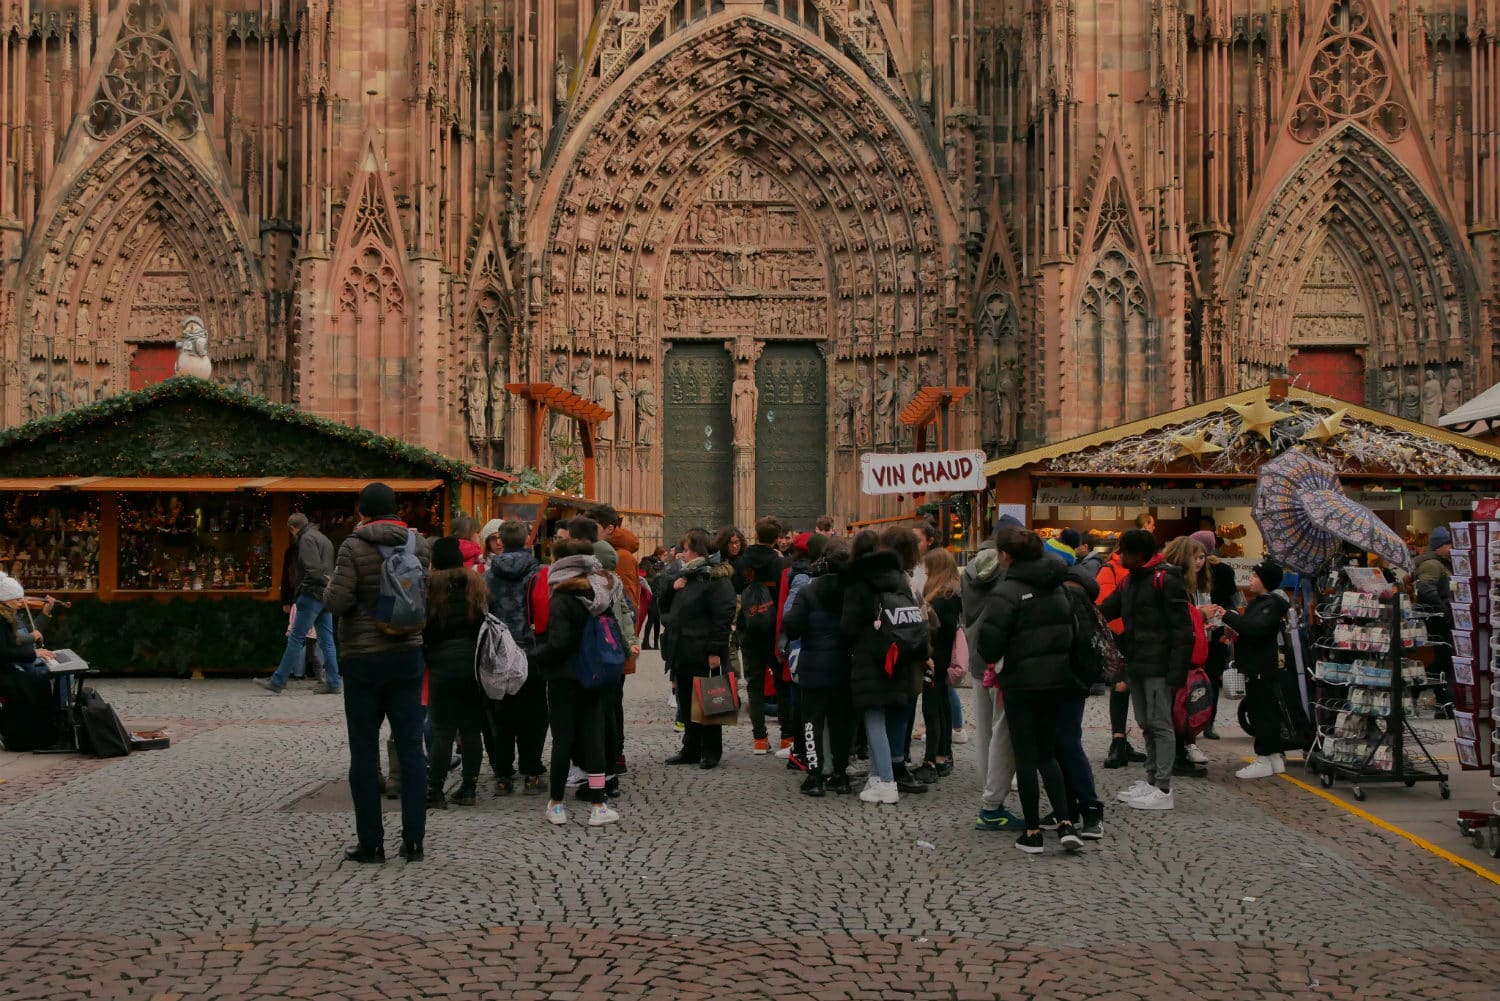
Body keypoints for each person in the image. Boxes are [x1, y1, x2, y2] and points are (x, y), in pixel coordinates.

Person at [322, 482, 433, 864]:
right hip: (406, 654)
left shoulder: (353, 546)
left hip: (363, 659)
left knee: (365, 751)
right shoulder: (418, 545)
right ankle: (414, 841)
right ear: (396, 510)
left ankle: (371, 843)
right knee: (412, 749)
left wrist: (329, 586)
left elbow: (338, 602)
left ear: (363, 512)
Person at [973, 526, 1084, 854]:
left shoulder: (1007, 591)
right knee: (1047, 752)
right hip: (1055, 679)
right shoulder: (1057, 584)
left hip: (1021, 681)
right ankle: (1065, 823)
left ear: (1006, 556)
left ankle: (1033, 831)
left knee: (1025, 756)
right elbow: (1072, 631)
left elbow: (990, 642)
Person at [1099, 529, 1194, 811]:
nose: (1119, 556)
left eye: (1124, 551)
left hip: (1159, 666)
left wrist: (1177, 672)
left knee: (1160, 723)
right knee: (1145, 722)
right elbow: (1106, 609)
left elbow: (1182, 630)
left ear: (1139, 555)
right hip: (1137, 663)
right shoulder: (1130, 580)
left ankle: (1163, 787)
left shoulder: (1165, 580)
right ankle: (1152, 778)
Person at [529, 538, 620, 826]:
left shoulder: (562, 596)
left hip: (564, 677)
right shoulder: (599, 592)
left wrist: (534, 655)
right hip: (593, 673)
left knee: (563, 740)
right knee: (593, 738)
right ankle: (597, 805)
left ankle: (556, 804)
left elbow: (559, 643)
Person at [843, 526, 930, 803]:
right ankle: (881, 772)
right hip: (897, 654)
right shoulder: (900, 579)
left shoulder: (859, 581)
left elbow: (848, 625)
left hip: (870, 656)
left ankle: (886, 782)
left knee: (873, 717)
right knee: (892, 714)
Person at [781, 537, 854, 796]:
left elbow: (793, 625)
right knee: (841, 722)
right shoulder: (854, 591)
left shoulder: (809, 591)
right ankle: (841, 774)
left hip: (814, 665)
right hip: (844, 665)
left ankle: (815, 776)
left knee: (811, 721)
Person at [661, 529, 737, 769]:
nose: (681, 554)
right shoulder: (687, 576)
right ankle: (690, 748)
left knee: (709, 700)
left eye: (686, 549)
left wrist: (715, 651)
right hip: (682, 649)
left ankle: (711, 751)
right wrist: (672, 587)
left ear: (699, 551)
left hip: (704, 651)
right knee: (685, 702)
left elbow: (723, 618)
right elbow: (664, 607)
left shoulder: (715, 579)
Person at [483, 519, 548, 796]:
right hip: (531, 649)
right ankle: (532, 771)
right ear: (526, 541)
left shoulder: (488, 574)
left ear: (501, 542)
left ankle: (502, 774)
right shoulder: (539, 572)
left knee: (501, 712)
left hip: (500, 650)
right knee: (534, 711)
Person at [961, 544, 1023, 830]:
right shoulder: (1003, 583)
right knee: (1002, 727)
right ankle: (998, 783)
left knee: (984, 726)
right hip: (995, 660)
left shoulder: (969, 577)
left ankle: (987, 777)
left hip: (975, 655)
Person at [422, 537, 488, 809]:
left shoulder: (430, 587)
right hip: (473, 664)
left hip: (441, 663)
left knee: (443, 730)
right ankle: (469, 788)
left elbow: (424, 628)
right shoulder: (477, 584)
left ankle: (435, 790)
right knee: (472, 729)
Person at [1222, 559, 1291, 779]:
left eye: (1255, 576)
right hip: (1254, 665)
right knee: (1263, 710)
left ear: (1265, 581)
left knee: (1262, 713)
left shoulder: (1271, 604)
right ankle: (1273, 757)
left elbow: (1254, 629)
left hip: (1261, 666)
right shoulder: (1260, 602)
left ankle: (1263, 757)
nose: (1250, 578)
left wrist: (1229, 616)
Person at [258, 513, 340, 694]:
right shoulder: (323, 538)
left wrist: (302, 589)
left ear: (293, 529)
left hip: (311, 594)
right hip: (325, 595)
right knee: (327, 641)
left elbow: (313, 569)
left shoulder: (306, 539)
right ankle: (334, 682)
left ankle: (278, 680)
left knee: (296, 638)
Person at [589, 505, 641, 778]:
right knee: (610, 701)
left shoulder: (614, 557)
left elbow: (625, 604)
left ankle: (612, 755)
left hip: (611, 642)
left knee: (609, 702)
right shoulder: (618, 553)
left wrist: (628, 641)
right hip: (615, 642)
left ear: (609, 528)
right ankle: (612, 754)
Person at [1161, 535, 1220, 777]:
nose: (1199, 562)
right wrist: (1200, 615)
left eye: (1202, 557)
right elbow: (1177, 618)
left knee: (1182, 706)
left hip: (1187, 653)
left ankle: (1180, 753)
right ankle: (1174, 759)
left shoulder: (1189, 584)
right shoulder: (1174, 584)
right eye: (1194, 557)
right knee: (1178, 706)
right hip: (1178, 656)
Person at [733, 517, 788, 755]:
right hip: (774, 629)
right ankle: (787, 737)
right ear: (777, 538)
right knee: (781, 683)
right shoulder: (781, 563)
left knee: (754, 684)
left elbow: (735, 587)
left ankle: (759, 739)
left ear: (755, 535)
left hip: (750, 628)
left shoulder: (743, 561)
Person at [1094, 542, 1148, 769]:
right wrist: (1124, 632)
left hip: (1140, 637)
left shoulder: (1148, 571)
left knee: (1136, 688)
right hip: (1123, 637)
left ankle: (1125, 741)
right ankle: (1118, 740)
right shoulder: (1111, 569)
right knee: (1122, 686)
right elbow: (1104, 605)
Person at [918, 547, 961, 780]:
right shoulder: (949, 592)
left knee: (932, 707)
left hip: (937, 656)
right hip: (940, 655)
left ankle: (933, 758)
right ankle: (942, 755)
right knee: (940, 704)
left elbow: (941, 629)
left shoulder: (944, 596)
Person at [1191, 530, 1240, 740]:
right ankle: (1208, 722)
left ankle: (1197, 719)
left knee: (1198, 676)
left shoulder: (1203, 569)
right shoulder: (1225, 570)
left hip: (1202, 627)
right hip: (1216, 628)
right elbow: (1234, 600)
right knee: (1211, 677)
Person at [1416, 526, 1455, 718]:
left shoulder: (1441, 563)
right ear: (1440, 546)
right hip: (1436, 622)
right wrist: (1442, 609)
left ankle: (1444, 704)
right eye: (1449, 544)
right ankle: (1443, 703)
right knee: (1442, 661)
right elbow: (1425, 587)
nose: (1451, 548)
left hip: (1439, 620)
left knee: (1442, 662)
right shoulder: (1432, 564)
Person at [639, 546, 668, 649]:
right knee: (651, 617)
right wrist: (655, 579)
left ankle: (656, 643)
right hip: (648, 592)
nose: (665, 557)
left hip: (658, 593)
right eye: (664, 555)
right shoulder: (647, 562)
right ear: (659, 554)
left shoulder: (661, 565)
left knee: (657, 618)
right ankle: (645, 642)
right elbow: (641, 577)